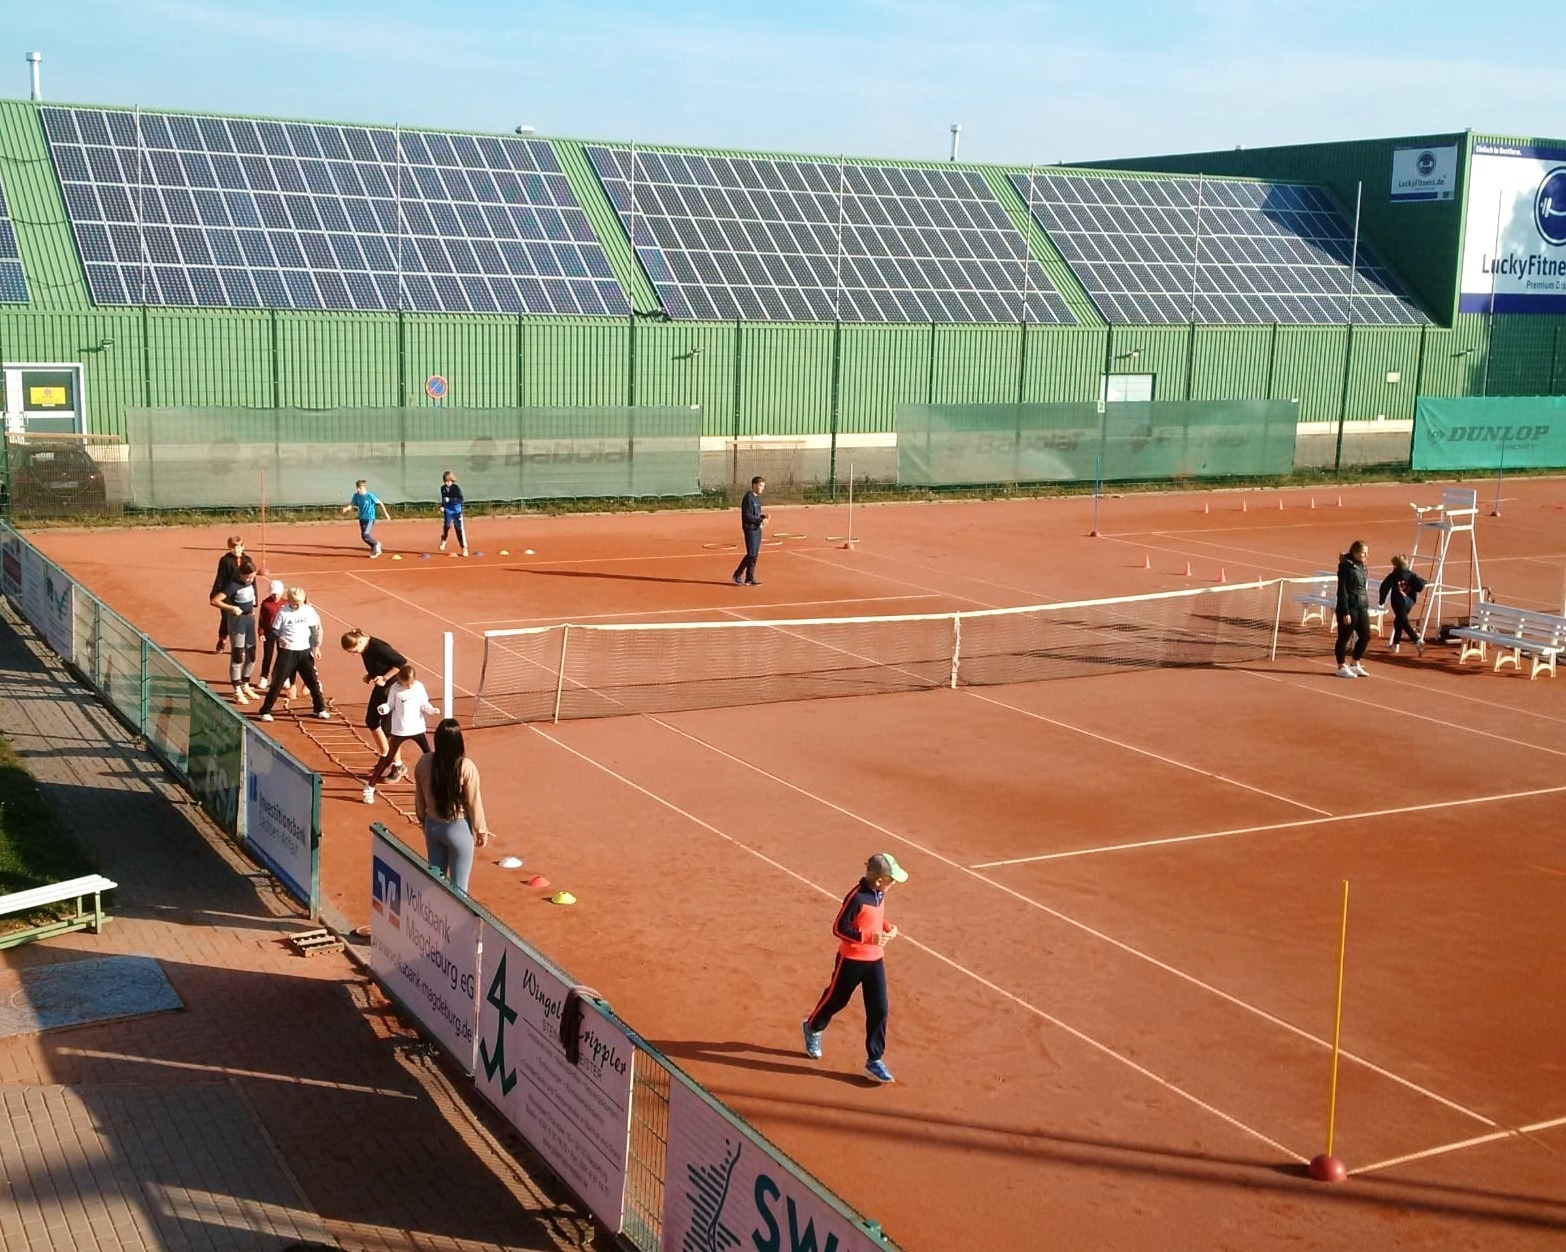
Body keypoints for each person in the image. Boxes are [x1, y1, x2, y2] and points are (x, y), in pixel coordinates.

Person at [801, 852, 908, 1085]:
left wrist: (888, 927)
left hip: (875, 961)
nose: (894, 884)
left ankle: (874, 1059)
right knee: (836, 1000)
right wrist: (869, 938)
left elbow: (875, 919)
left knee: (879, 1008)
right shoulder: (856, 897)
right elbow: (839, 928)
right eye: (892, 880)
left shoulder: (879, 894)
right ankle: (812, 1027)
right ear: (879, 880)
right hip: (851, 961)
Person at [413, 719, 491, 893]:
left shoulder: (424, 761)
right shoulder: (465, 767)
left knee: (436, 884)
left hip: (433, 827)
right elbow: (473, 801)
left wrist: (423, 821)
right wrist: (481, 829)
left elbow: (419, 797)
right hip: (458, 829)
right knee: (459, 889)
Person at [363, 663, 438, 803]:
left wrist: (431, 710)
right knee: (387, 759)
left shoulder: (419, 687)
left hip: (418, 729)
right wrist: (383, 709)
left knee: (431, 756)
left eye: (410, 684)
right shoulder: (395, 689)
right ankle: (369, 787)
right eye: (405, 684)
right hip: (400, 730)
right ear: (400, 680)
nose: (408, 686)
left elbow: (424, 704)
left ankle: (439, 786)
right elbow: (390, 704)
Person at [255, 587, 330, 720]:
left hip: (304, 651)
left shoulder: (308, 611)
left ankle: (319, 708)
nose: (297, 606)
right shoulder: (283, 612)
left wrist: (316, 647)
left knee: (312, 681)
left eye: (299, 603)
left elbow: (314, 630)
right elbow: (273, 630)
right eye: (294, 603)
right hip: (287, 652)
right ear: (289, 601)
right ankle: (265, 710)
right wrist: (280, 638)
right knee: (278, 682)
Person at [340, 628, 407, 762]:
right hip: (381, 686)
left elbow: (400, 662)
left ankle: (397, 765)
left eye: (354, 651)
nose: (354, 655)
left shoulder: (378, 647)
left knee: (388, 728)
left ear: (359, 641)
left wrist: (385, 677)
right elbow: (380, 663)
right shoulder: (365, 647)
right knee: (372, 720)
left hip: (391, 687)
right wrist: (371, 674)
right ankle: (386, 755)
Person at [210, 557, 261, 704]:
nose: (251, 580)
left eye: (253, 577)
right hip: (237, 622)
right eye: (248, 577)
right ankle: (237, 690)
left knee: (251, 655)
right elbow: (215, 601)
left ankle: (245, 684)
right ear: (241, 575)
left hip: (249, 620)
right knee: (238, 655)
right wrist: (232, 608)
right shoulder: (233, 585)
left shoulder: (250, 582)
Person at [1335, 539, 1373, 679]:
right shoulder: (1346, 568)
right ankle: (1341, 666)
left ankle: (1355, 663)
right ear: (1355, 552)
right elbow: (1342, 591)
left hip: (1362, 606)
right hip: (1349, 608)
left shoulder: (1362, 567)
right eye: (1364, 552)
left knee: (1366, 635)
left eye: (1367, 553)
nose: (1366, 555)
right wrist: (1345, 611)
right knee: (1344, 637)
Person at [1379, 554, 1428, 655]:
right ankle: (1395, 645)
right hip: (1409, 602)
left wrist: (1381, 601)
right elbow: (1420, 587)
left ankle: (1417, 641)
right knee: (1398, 622)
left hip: (1398, 603)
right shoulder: (1411, 575)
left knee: (1404, 623)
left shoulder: (1392, 576)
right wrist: (1423, 581)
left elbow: (1384, 588)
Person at [209, 534, 244, 652]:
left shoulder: (246, 559)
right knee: (227, 618)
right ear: (229, 548)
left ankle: (237, 645)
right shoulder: (225, 561)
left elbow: (252, 578)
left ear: (243, 547)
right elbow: (221, 578)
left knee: (241, 619)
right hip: (226, 594)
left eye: (239, 547)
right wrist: (216, 593)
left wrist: (254, 596)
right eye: (233, 548)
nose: (237, 550)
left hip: (242, 595)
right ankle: (223, 638)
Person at [731, 475, 768, 587]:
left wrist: (763, 516)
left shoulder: (757, 499)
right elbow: (747, 515)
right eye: (761, 485)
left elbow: (755, 514)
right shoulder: (748, 498)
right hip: (750, 529)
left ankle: (749, 577)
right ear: (754, 485)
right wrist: (760, 519)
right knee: (751, 554)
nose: (762, 488)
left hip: (757, 529)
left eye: (763, 486)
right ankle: (738, 574)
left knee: (754, 555)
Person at [341, 478, 390, 558]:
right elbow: (352, 504)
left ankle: (375, 546)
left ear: (364, 488)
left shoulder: (370, 496)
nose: (358, 489)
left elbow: (380, 503)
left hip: (370, 518)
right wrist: (347, 508)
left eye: (359, 488)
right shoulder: (356, 495)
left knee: (366, 534)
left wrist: (386, 514)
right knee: (364, 537)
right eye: (357, 488)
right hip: (362, 518)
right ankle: (375, 545)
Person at [255, 579, 288, 694]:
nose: (275, 596)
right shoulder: (265, 604)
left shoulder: (286, 603)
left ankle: (283, 678)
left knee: (282, 656)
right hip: (269, 632)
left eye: (277, 594)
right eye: (273, 594)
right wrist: (261, 632)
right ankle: (264, 677)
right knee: (267, 656)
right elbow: (262, 620)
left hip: (282, 633)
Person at [438, 470, 469, 557]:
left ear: (452, 480)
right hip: (448, 510)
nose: (447, 483)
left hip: (457, 511)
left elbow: (460, 499)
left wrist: (450, 500)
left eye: (448, 481)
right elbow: (443, 498)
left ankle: (464, 548)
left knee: (459, 530)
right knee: (447, 526)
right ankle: (443, 540)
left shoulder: (456, 488)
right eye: (445, 481)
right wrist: (442, 506)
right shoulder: (443, 488)